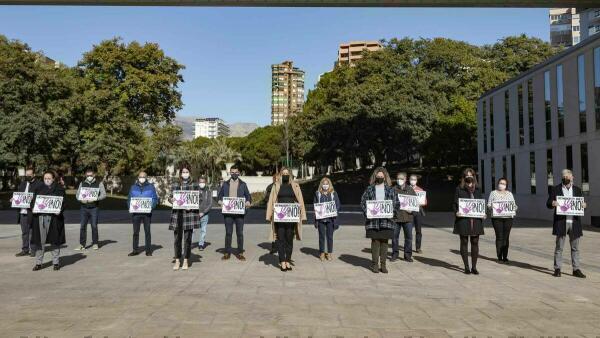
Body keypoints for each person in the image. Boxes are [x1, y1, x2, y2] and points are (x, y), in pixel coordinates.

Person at [547, 169, 587, 278]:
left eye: (568, 176)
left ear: (572, 177)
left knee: (575, 247)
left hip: (574, 222)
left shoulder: (578, 190)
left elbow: (581, 205)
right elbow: (548, 203)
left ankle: (576, 269)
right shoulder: (556, 189)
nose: (566, 178)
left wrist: (584, 206)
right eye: (564, 176)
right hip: (561, 222)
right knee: (559, 246)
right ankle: (557, 269)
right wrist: (552, 203)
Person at [266, 167, 307, 271]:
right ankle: (282, 261)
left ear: (290, 174)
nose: (285, 175)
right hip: (279, 218)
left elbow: (300, 200)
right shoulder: (276, 186)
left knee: (289, 239)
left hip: (291, 218)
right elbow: (271, 200)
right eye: (283, 173)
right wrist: (269, 214)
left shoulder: (295, 185)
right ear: (280, 175)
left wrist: (302, 214)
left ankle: (288, 260)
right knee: (280, 239)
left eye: (286, 173)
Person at [360, 167, 398, 274]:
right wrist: (368, 211)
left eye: (382, 176)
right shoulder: (369, 189)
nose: (380, 177)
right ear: (375, 176)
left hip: (387, 221)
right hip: (373, 221)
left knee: (385, 243)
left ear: (385, 177)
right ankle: (375, 265)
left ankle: (383, 265)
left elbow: (396, 203)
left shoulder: (391, 190)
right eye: (378, 176)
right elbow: (363, 202)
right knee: (375, 242)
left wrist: (392, 213)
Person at [31, 171, 66, 271]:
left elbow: (63, 203)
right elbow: (33, 202)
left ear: (53, 179)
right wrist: (33, 208)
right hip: (40, 218)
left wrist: (59, 210)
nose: (47, 180)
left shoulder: (59, 189)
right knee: (40, 242)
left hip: (54, 219)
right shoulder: (38, 189)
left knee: (54, 241)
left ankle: (56, 262)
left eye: (49, 178)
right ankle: (38, 263)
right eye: (45, 178)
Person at [453, 168, 485, 275]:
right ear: (464, 177)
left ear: (474, 176)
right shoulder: (459, 189)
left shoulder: (478, 189)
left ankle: (474, 267)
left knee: (475, 242)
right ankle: (466, 267)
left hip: (475, 220)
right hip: (463, 220)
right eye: (466, 175)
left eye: (470, 175)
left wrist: (483, 213)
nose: (469, 176)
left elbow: (481, 204)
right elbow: (454, 204)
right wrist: (456, 212)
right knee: (464, 242)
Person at [169, 165, 200, 270]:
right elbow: (170, 196)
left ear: (190, 173)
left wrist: (191, 205)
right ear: (180, 173)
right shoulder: (175, 183)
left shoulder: (194, 184)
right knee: (177, 239)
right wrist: (171, 199)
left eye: (187, 172)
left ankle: (186, 260)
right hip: (177, 215)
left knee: (188, 239)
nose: (185, 174)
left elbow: (198, 198)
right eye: (183, 172)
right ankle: (177, 260)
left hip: (189, 215)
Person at [217, 165, 252, 261]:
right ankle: (227, 252)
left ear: (239, 172)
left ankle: (240, 252)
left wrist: (248, 202)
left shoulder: (243, 184)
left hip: (239, 214)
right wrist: (221, 203)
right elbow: (219, 197)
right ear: (230, 173)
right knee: (228, 233)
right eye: (232, 172)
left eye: (236, 172)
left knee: (240, 233)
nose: (234, 174)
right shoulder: (225, 184)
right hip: (228, 214)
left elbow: (248, 196)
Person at [74, 168, 107, 251]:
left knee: (94, 226)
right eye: (88, 175)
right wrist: (80, 199)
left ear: (94, 175)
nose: (89, 176)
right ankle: (82, 244)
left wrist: (96, 199)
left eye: (91, 175)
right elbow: (77, 195)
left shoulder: (99, 183)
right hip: (83, 208)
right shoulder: (82, 183)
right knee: (82, 226)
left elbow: (104, 194)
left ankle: (95, 243)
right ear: (85, 175)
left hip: (94, 208)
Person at [127, 172, 159, 257]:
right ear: (138, 177)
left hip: (147, 213)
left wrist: (151, 207)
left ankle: (148, 251)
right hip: (136, 213)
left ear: (146, 177)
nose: (142, 178)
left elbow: (155, 199)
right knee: (135, 232)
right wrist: (129, 207)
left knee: (147, 232)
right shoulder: (133, 187)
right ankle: (135, 250)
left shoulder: (151, 187)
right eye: (140, 177)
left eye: (143, 177)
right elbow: (129, 198)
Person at [487, 177, 517, 264]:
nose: (502, 185)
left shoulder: (509, 194)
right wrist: (492, 206)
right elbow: (488, 205)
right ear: (498, 184)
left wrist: (515, 208)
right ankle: (499, 256)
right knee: (499, 236)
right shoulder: (493, 193)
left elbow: (514, 205)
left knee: (506, 237)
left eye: (504, 184)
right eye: (500, 183)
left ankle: (505, 256)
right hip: (497, 218)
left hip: (508, 218)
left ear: (506, 185)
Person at [313, 177, 341, 261]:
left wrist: (333, 210)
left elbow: (338, 205)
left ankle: (329, 253)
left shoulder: (333, 193)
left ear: (329, 185)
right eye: (324, 184)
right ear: (321, 185)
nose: (325, 185)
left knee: (330, 236)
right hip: (321, 219)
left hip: (331, 219)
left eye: (327, 184)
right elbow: (315, 205)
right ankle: (322, 252)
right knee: (321, 236)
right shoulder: (317, 193)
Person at [13, 168, 40, 257]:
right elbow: (19, 195)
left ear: (34, 175)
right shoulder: (22, 183)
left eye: (29, 175)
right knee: (24, 232)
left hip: (31, 212)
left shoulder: (39, 184)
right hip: (22, 211)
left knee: (32, 232)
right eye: (26, 175)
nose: (27, 176)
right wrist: (13, 199)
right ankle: (25, 249)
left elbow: (40, 197)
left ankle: (33, 249)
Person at [392, 172, 416, 262]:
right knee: (394, 237)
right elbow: (390, 202)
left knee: (409, 237)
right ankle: (395, 254)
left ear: (405, 179)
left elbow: (415, 204)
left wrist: (412, 210)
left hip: (408, 218)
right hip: (396, 218)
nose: (399, 180)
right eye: (398, 178)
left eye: (401, 178)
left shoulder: (410, 190)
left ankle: (408, 255)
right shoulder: (393, 189)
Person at [409, 174, 427, 254]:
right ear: (409, 180)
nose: (413, 181)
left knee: (418, 230)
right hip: (408, 212)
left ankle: (418, 247)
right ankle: (408, 247)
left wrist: (420, 203)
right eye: (411, 179)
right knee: (408, 231)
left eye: (414, 179)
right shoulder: (406, 189)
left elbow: (425, 201)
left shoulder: (420, 190)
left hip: (417, 212)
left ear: (416, 180)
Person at [197, 175, 212, 251]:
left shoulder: (208, 192)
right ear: (198, 182)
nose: (201, 183)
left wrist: (203, 212)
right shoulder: (195, 191)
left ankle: (201, 244)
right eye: (200, 182)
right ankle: (188, 245)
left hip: (205, 215)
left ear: (205, 183)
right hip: (195, 214)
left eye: (203, 182)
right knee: (192, 230)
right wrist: (197, 212)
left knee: (203, 230)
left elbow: (210, 204)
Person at [265, 172, 278, 255]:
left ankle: (280, 246)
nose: (277, 180)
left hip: (282, 212)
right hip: (274, 211)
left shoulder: (283, 186)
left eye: (278, 178)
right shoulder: (270, 187)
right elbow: (266, 198)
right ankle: (274, 247)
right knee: (274, 230)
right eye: (275, 178)